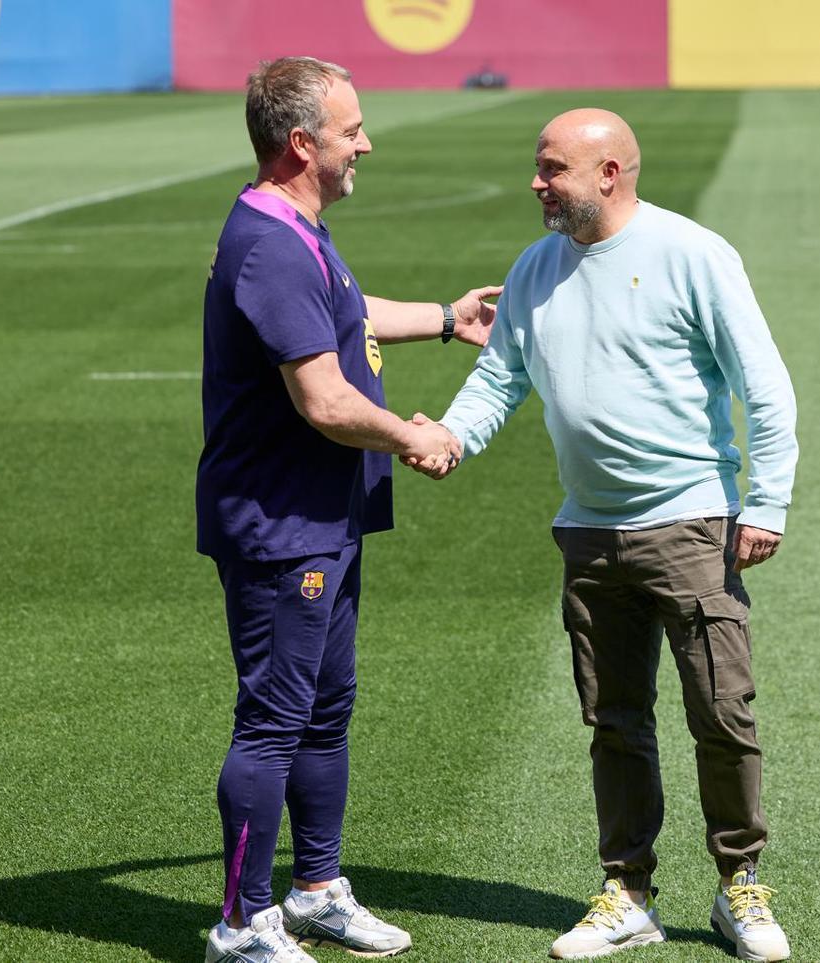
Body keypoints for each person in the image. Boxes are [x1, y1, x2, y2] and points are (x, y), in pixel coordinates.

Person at [413, 109, 798, 961]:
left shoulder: (693, 254)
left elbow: (765, 387)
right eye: (538, 167)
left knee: (721, 713)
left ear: (611, 173)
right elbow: (499, 375)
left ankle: (741, 884)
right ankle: (627, 891)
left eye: (553, 170)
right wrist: (451, 436)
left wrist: (765, 502)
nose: (538, 184)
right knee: (615, 722)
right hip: (588, 535)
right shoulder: (535, 268)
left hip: (691, 525)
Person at [197, 56, 498, 963]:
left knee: (327, 710)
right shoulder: (272, 243)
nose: (365, 140)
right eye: (351, 127)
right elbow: (324, 399)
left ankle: (317, 889)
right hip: (284, 525)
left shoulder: (297, 229)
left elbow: (347, 313)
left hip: (323, 515)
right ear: (302, 143)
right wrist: (414, 436)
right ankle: (241, 922)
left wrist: (446, 318)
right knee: (275, 719)